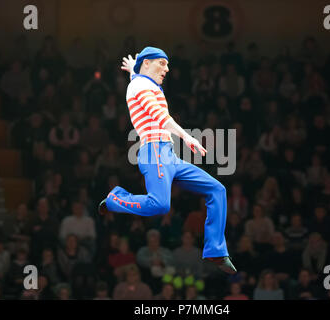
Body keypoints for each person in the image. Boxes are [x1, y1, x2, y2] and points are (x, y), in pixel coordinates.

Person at [98, 47, 236, 274]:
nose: (167, 68)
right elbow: (159, 116)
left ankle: (216, 251)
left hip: (168, 154)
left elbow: (139, 75)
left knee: (217, 189)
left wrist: (134, 68)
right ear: (147, 64)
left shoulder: (142, 82)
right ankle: (115, 200)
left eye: (167, 64)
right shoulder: (140, 86)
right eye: (161, 63)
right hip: (154, 152)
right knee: (160, 205)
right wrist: (186, 136)